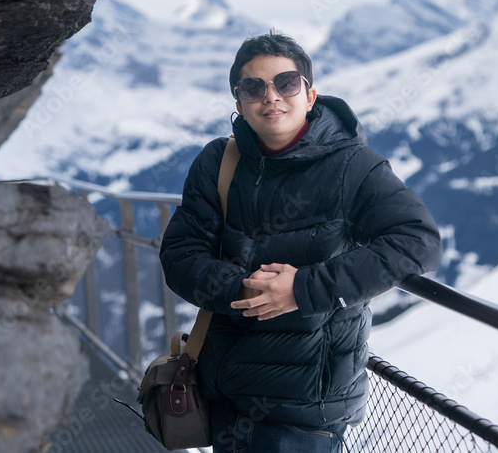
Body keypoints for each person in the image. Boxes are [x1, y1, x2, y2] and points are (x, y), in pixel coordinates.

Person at [160, 31, 442, 453]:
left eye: (286, 83)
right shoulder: (218, 162)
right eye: (253, 87)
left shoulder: (353, 165)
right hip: (226, 390)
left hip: (306, 407)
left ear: (310, 95)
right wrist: (241, 288)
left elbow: (419, 242)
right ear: (239, 105)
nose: (271, 96)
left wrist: (302, 289)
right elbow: (181, 256)